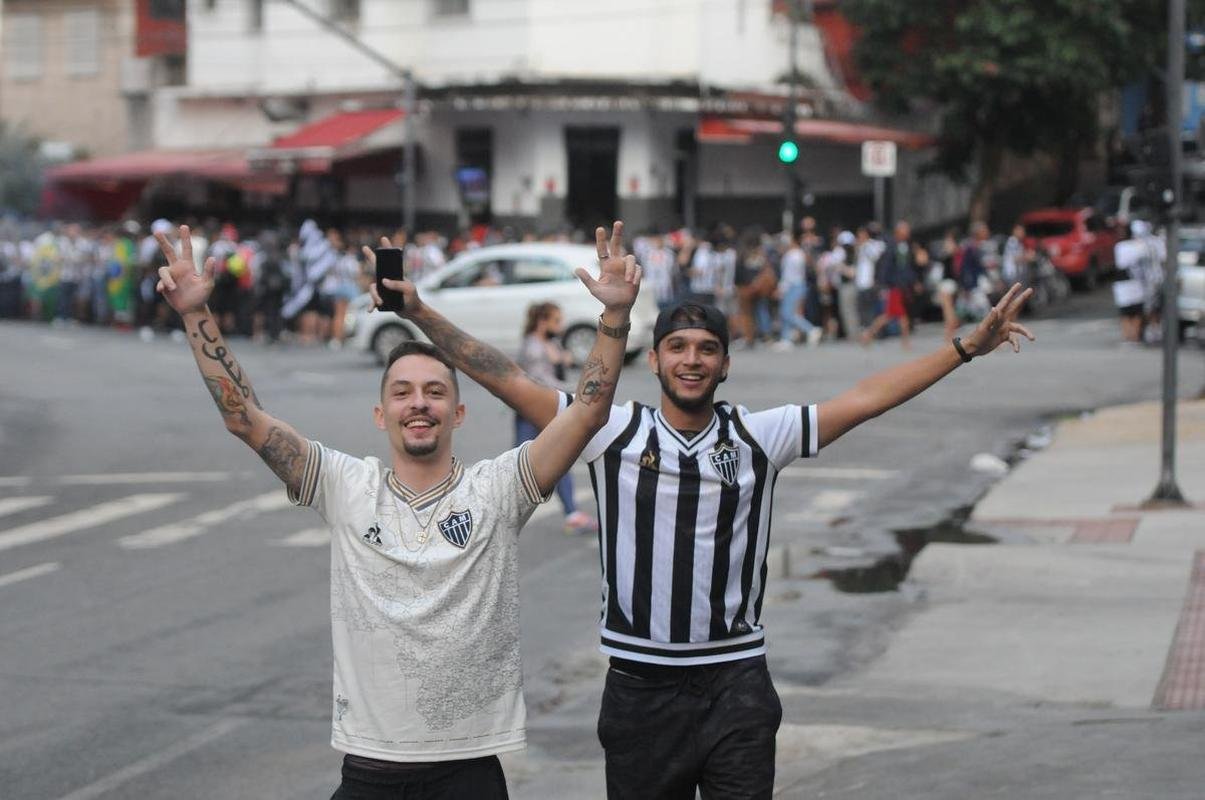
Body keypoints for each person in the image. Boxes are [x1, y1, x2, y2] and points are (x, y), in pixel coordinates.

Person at [380, 240, 1037, 799]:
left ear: (725, 362)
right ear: (657, 357)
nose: (690, 359)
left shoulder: (760, 436)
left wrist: (963, 347)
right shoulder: (609, 430)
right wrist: (416, 311)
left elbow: (864, 399)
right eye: (676, 346)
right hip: (639, 689)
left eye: (704, 348)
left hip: (736, 686)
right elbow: (503, 375)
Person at [153, 221, 642, 799]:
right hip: (368, 771)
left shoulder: (499, 489)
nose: (419, 403)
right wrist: (194, 314)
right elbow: (244, 418)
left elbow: (585, 414)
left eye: (436, 392)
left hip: (469, 772)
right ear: (380, 414)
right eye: (402, 392)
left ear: (457, 415)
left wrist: (613, 318)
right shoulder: (343, 485)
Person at [515, 301, 598, 534]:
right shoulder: (533, 347)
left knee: (556, 463)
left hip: (545, 412)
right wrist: (577, 388)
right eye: (556, 321)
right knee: (521, 466)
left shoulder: (548, 343)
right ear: (542, 321)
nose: (560, 326)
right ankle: (502, 516)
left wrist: (563, 361)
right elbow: (541, 383)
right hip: (531, 413)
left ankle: (572, 514)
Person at [860, 220, 919, 349]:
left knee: (891, 315)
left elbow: (908, 267)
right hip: (895, 286)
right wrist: (884, 284)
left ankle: (869, 335)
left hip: (903, 286)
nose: (907, 232)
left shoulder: (907, 246)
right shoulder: (891, 246)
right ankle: (904, 342)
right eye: (905, 230)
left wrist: (913, 281)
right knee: (898, 315)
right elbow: (886, 268)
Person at [772, 230, 822, 351]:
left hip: (792, 286)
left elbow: (788, 275)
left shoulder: (791, 256)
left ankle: (810, 329)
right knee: (787, 312)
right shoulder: (799, 253)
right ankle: (786, 339)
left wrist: (781, 289)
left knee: (787, 313)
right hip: (798, 285)